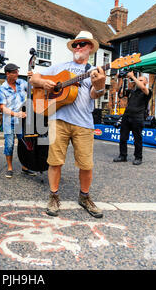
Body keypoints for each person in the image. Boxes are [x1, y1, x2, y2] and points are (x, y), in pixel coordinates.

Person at [29, 31, 107, 218]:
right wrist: (45, 82)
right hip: (59, 120)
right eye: (75, 45)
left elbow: (94, 95)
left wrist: (100, 86)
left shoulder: (95, 70)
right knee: (55, 162)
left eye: (82, 44)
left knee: (86, 164)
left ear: (90, 48)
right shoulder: (60, 68)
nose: (78, 47)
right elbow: (33, 78)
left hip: (84, 123)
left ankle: (84, 197)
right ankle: (54, 196)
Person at [0, 63, 37, 178]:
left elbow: (33, 89)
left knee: (25, 144)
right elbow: (2, 107)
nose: (17, 74)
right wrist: (16, 114)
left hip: (22, 121)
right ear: (7, 74)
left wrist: (33, 79)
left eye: (17, 71)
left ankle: (25, 167)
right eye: (14, 72)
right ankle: (10, 168)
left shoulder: (21, 83)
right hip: (9, 121)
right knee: (9, 145)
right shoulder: (2, 88)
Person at [113, 71, 152, 165]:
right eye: (138, 80)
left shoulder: (147, 92)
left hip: (137, 118)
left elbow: (143, 88)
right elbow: (121, 93)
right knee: (123, 138)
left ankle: (138, 157)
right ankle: (123, 156)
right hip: (127, 117)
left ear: (146, 82)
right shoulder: (132, 91)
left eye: (141, 80)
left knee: (137, 139)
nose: (139, 81)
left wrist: (133, 77)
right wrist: (120, 79)